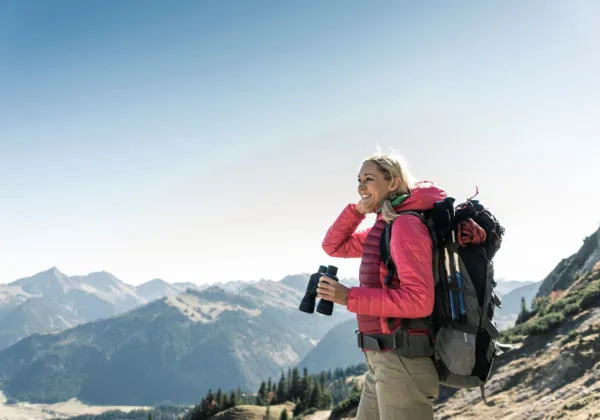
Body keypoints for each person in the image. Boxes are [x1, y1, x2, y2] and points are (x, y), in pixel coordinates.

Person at [316, 152, 446, 420]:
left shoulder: (405, 226)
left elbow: (419, 300)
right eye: (359, 179)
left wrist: (349, 297)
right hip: (383, 362)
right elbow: (333, 246)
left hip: (402, 362)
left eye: (369, 179)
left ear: (393, 183)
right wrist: (356, 211)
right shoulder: (385, 226)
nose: (361, 186)